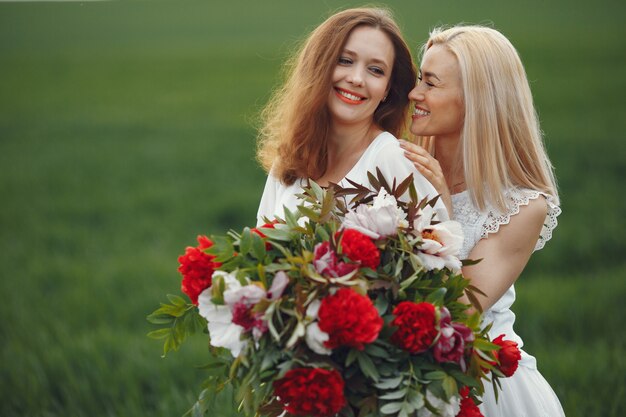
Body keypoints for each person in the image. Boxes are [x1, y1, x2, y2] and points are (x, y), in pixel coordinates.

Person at [400, 26, 565, 416]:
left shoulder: (522, 206)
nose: (414, 94)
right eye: (419, 79)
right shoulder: (398, 163)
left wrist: (441, 208)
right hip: (397, 373)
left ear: (476, 99)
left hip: (481, 384)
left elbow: (460, 310)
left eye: (431, 83)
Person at [256, 7, 447, 225]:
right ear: (319, 66)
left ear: (387, 89)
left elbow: (439, 250)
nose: (357, 79)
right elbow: (260, 246)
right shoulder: (292, 156)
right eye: (345, 61)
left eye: (376, 70)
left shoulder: (391, 159)